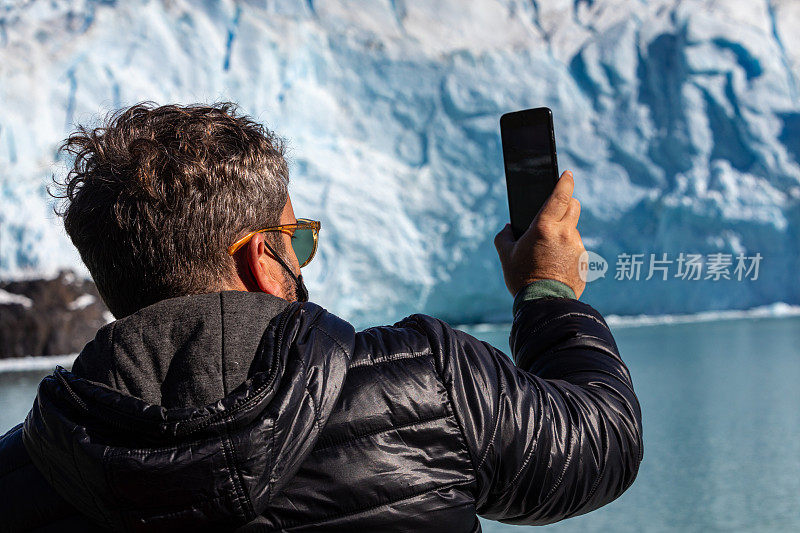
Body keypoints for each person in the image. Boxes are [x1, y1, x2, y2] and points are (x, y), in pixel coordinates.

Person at [0, 103, 642, 532]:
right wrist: (548, 290)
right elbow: (601, 441)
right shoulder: (428, 383)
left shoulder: (25, 472)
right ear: (260, 260)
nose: (301, 257)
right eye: (297, 238)